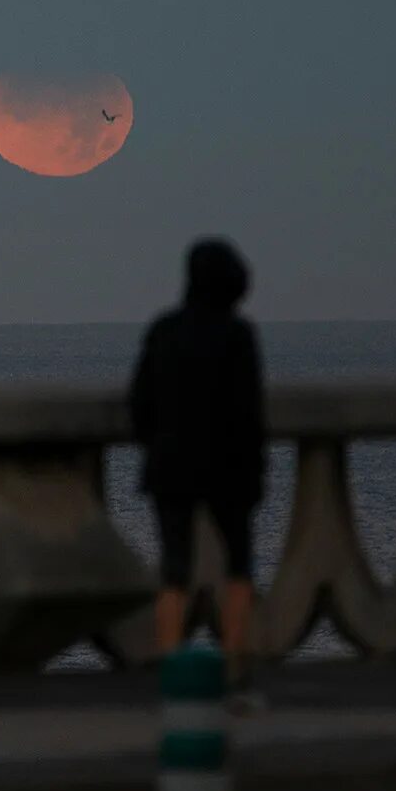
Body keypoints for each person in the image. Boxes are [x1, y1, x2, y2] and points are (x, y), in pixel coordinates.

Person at [128, 238, 265, 708]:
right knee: (240, 567)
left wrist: (156, 444)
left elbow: (140, 404)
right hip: (229, 467)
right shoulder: (238, 335)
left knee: (174, 571)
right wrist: (255, 472)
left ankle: (170, 668)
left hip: (171, 466)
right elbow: (250, 412)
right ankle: (233, 669)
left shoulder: (165, 331)